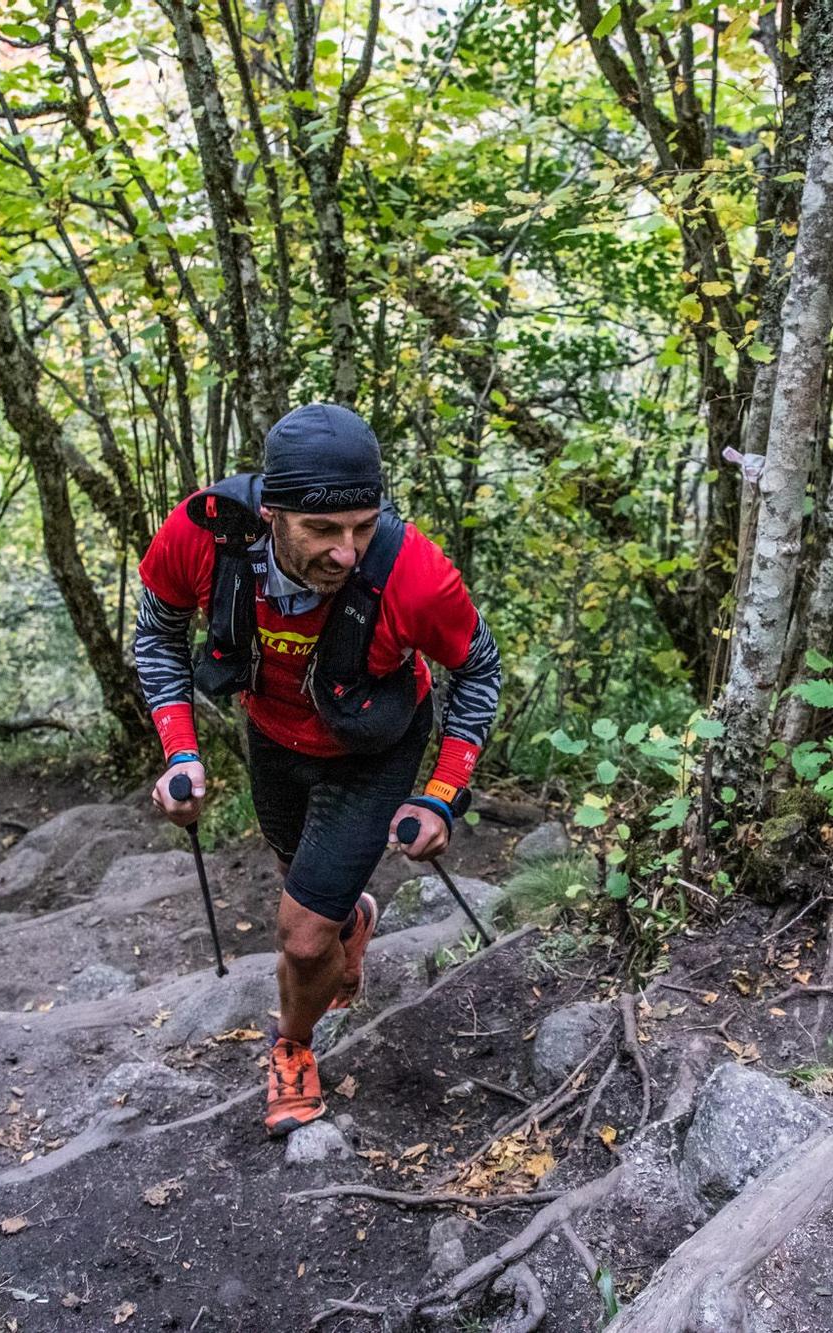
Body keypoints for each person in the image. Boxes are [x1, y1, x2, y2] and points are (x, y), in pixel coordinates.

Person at [131, 403, 501, 1137]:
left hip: (376, 745)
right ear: (272, 512)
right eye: (324, 531)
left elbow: (478, 670)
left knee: (300, 937)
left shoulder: (417, 577)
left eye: (364, 526)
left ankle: (293, 1046)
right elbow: (158, 631)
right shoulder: (201, 537)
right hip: (272, 737)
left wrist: (441, 795)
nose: (347, 552)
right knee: (305, 885)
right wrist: (180, 749)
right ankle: (350, 919)